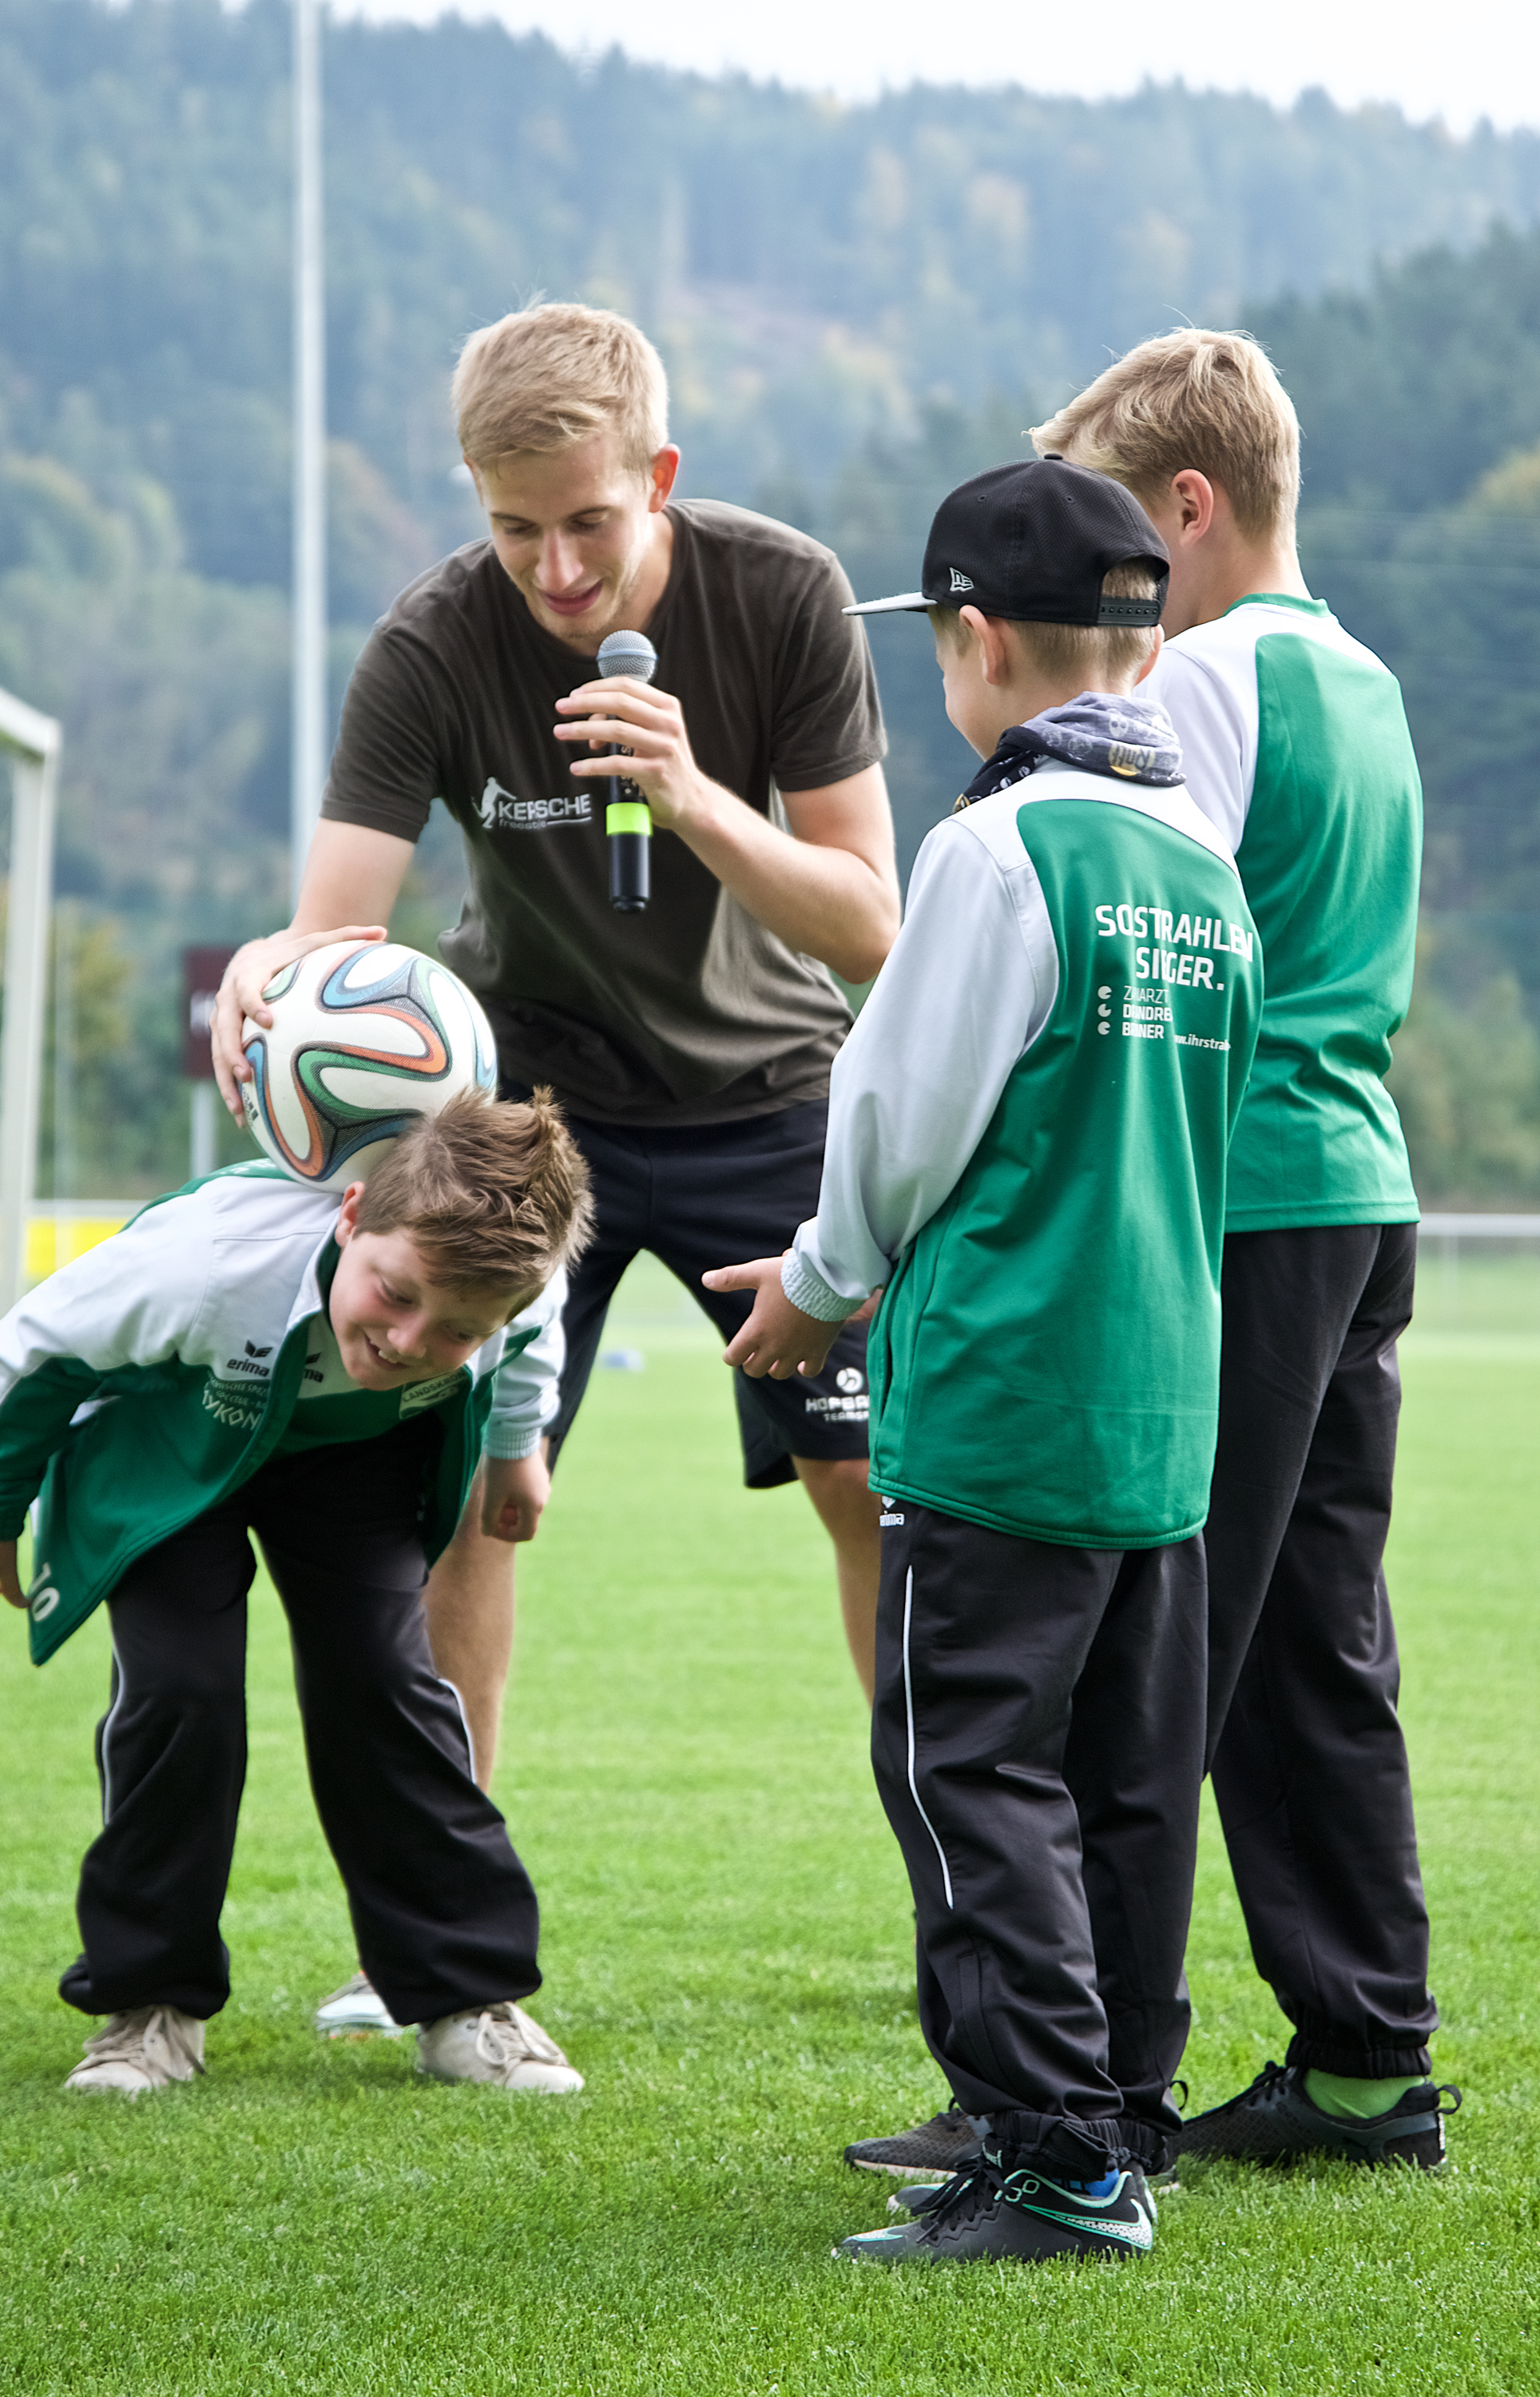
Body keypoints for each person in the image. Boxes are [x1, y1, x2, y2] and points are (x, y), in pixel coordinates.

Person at [210, 303, 900, 2032]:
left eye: (589, 522)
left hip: (780, 1105)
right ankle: (429, 1947)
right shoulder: (436, 640)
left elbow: (878, 927)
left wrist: (696, 803)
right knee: (470, 1504)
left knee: (875, 1492)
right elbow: (331, 933)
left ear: (658, 479)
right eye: (516, 529)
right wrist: (273, 989)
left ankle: (967, 1909)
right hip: (532, 1117)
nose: (555, 567)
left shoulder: (784, 596)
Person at [708, 458, 1261, 2263]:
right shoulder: (1201, 860)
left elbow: (898, 1114)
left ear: (966, 639)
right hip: (1158, 1408)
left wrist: (814, 1282)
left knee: (973, 1771)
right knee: (1122, 1782)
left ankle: (1047, 2158)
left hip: (1005, 1401)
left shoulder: (993, 848)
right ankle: (1122, 2118)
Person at [1018, 329, 1455, 2171]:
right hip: (1359, 1196)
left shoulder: (1196, 681)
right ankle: (1363, 2072)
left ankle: (1077, 2100)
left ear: (1185, 509)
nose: (1108, 588)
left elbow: (1146, 945)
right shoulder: (1360, 675)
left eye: (1121, 539)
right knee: (1304, 1648)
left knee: (1152, 1665)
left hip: (1242, 1204)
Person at [0, 1091, 595, 2099]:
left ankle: (465, 1998)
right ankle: (149, 2006)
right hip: (172, 1454)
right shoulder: (206, 1259)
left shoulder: (515, 1283)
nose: (415, 1340)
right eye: (397, 1292)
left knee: (386, 1682)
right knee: (183, 1692)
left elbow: (527, 1350)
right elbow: (40, 1352)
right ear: (352, 1216)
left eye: (458, 1329)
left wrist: (516, 1455)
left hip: (355, 1466)